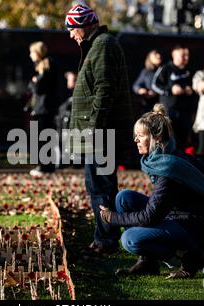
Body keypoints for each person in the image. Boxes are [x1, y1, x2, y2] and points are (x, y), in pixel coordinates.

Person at [99, 104, 204, 278]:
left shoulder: (169, 169)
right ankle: (147, 263)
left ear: (157, 137)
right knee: (124, 198)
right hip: (181, 216)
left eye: (140, 136)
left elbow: (149, 216)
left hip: (196, 227)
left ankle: (190, 257)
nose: (135, 140)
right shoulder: (168, 156)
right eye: (135, 135)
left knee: (130, 239)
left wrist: (112, 218)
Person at [66, 4, 134, 255]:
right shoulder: (97, 45)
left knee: (101, 187)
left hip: (101, 134)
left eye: (72, 29)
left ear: (83, 25)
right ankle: (102, 237)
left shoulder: (103, 45)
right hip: (98, 133)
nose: (71, 35)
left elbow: (104, 91)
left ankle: (106, 241)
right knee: (97, 186)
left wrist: (94, 129)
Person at [152, 45, 195, 150]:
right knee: (168, 140)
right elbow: (154, 85)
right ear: (174, 55)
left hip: (186, 112)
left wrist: (191, 90)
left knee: (183, 141)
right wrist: (170, 90)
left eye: (187, 55)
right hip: (168, 111)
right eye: (182, 55)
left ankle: (180, 163)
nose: (186, 57)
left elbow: (196, 87)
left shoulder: (190, 70)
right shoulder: (166, 68)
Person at [27, 41, 59, 177]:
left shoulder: (46, 67)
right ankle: (47, 165)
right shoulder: (46, 66)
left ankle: (43, 165)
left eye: (32, 52)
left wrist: (34, 82)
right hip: (46, 108)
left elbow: (38, 87)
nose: (30, 55)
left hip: (43, 109)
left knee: (40, 138)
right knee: (45, 137)